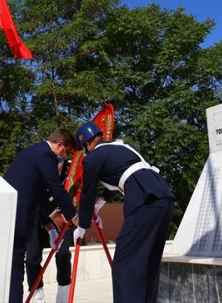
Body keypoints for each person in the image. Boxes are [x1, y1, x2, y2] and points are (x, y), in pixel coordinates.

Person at [73, 122, 173, 303]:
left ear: (87, 145)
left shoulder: (93, 157)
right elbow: (126, 174)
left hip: (144, 200)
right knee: (148, 263)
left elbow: (88, 192)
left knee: (124, 265)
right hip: (163, 196)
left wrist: (82, 225)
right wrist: (100, 203)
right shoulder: (124, 146)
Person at [4, 129, 78, 303]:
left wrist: (55, 215)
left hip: (11, 214)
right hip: (18, 216)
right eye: (65, 152)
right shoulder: (46, 156)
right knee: (15, 269)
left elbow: (40, 194)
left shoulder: (34, 152)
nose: (64, 156)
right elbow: (55, 188)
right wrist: (73, 216)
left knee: (13, 267)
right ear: (60, 145)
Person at [24, 156, 74, 303]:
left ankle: (63, 296)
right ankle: (38, 297)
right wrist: (49, 227)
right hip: (37, 216)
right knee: (32, 260)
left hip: (62, 218)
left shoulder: (71, 168)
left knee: (63, 254)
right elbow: (36, 199)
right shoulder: (39, 168)